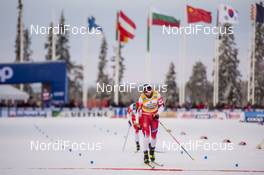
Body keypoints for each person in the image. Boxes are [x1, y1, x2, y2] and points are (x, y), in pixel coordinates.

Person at [136, 83, 164, 164]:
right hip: (145, 116)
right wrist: (138, 122)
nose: (147, 92)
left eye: (149, 89)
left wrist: (158, 114)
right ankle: (145, 155)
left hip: (154, 116)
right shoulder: (141, 98)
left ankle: (152, 151)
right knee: (146, 135)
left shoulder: (157, 95)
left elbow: (162, 106)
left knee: (154, 135)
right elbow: (138, 111)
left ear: (151, 89)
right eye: (145, 91)